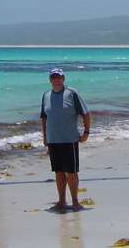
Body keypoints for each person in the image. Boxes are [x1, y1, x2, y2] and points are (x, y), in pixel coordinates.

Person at [40, 67, 91, 212]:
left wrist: (86, 132)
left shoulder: (72, 93)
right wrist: (45, 137)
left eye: (59, 77)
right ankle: (61, 201)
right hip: (53, 140)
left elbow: (86, 114)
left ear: (63, 79)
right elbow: (44, 118)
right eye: (54, 77)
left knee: (71, 172)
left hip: (69, 140)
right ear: (50, 80)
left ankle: (75, 202)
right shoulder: (46, 95)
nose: (56, 79)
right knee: (58, 172)